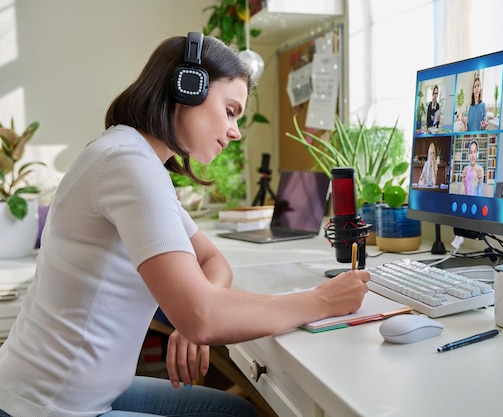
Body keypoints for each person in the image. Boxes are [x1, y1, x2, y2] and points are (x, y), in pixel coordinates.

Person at [0, 33, 370, 417]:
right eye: (230, 110)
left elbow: (213, 260)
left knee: (235, 411)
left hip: (65, 392)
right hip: (44, 406)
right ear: (188, 87)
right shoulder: (127, 164)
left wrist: (194, 312)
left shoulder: (134, 158)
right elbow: (203, 317)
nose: (235, 131)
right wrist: (320, 301)